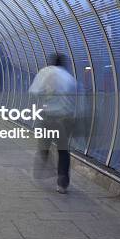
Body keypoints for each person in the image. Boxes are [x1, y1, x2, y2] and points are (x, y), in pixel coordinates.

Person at [29, 53, 77, 194]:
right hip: (63, 118)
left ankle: (42, 169)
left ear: (51, 62)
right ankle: (62, 184)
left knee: (44, 145)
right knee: (63, 150)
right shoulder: (69, 78)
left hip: (46, 116)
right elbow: (73, 99)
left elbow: (34, 91)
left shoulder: (44, 73)